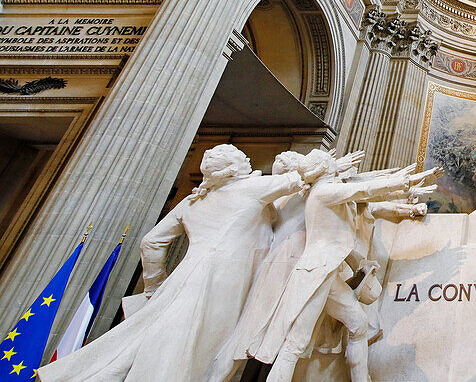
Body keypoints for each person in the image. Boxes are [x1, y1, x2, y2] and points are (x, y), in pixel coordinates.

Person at [38, 145, 306, 382]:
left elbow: (151, 242)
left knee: (157, 336)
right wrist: (333, 164)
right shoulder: (248, 188)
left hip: (186, 274)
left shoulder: (194, 200)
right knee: (203, 345)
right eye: (243, 160)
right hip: (227, 277)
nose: (249, 163)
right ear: (233, 170)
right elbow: (303, 177)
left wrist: (155, 285)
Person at [248, 151, 434, 382]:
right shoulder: (324, 191)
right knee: (294, 344)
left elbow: (365, 193)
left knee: (358, 324)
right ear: (325, 168)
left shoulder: (329, 191)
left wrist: (403, 188)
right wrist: (403, 182)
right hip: (316, 273)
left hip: (329, 272)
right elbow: (364, 189)